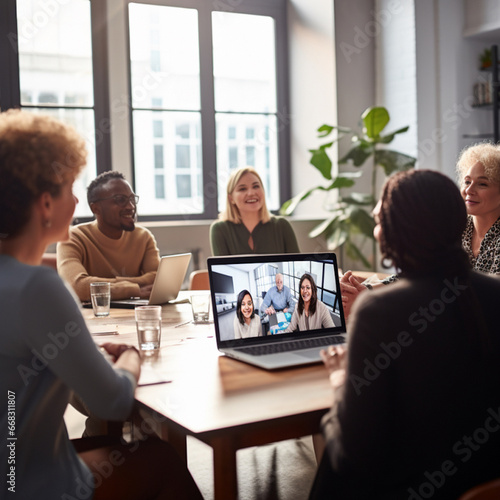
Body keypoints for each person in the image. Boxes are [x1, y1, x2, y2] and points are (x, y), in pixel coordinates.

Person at [0, 110, 203, 500]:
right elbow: (112, 400)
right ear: (45, 203)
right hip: (29, 483)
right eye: (69, 188)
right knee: (162, 459)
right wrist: (128, 358)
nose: (77, 200)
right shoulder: (38, 287)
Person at [309, 169, 500, 499]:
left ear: (393, 233)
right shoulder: (494, 293)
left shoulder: (378, 312)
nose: (374, 223)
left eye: (380, 217)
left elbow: (353, 457)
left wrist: (341, 378)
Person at [341, 142, 500, 319]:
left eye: (482, 184)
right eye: (467, 181)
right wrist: (368, 290)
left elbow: (486, 299)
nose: (469, 190)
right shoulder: (457, 226)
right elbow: (423, 273)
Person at [57, 171, 160, 301]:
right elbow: (77, 286)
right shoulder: (73, 237)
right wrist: (133, 290)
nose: (131, 206)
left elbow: (158, 278)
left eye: (132, 199)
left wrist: (116, 283)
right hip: (95, 318)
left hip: (135, 315)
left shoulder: (143, 237)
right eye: (120, 200)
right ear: (95, 209)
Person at [210, 166, 300, 255]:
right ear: (231, 199)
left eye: (256, 186)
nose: (251, 193)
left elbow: (297, 266)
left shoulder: (281, 226)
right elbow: (221, 269)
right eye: (242, 189)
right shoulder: (220, 229)